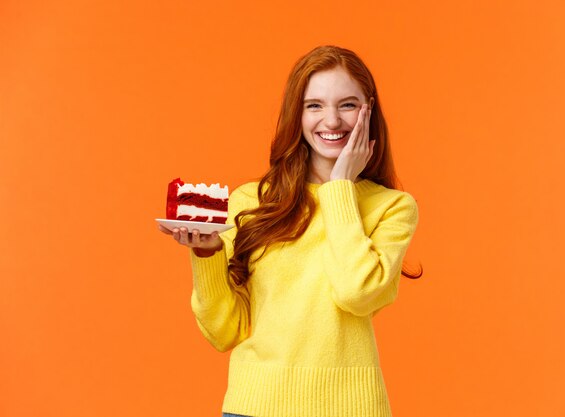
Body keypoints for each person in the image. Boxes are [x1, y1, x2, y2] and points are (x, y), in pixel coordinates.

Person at [158, 45, 421, 417]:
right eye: (314, 105)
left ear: (369, 112)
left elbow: (357, 293)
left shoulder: (392, 207)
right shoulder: (250, 201)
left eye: (347, 105)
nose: (331, 121)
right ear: (296, 115)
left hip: (350, 408)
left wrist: (339, 187)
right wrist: (205, 255)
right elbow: (224, 331)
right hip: (254, 406)